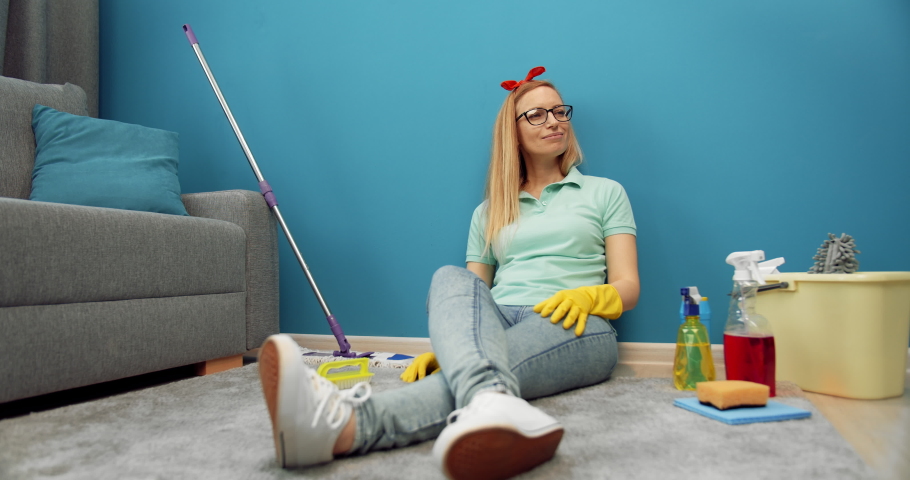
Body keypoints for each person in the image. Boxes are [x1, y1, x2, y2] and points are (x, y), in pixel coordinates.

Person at [257, 66, 640, 480]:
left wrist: (591, 297)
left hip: (574, 321)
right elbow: (473, 290)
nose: (554, 121)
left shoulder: (605, 192)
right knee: (449, 277)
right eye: (536, 114)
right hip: (497, 321)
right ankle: (491, 400)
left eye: (559, 111)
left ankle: (343, 425)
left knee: (471, 376)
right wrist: (454, 345)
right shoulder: (490, 211)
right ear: (512, 133)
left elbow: (628, 285)